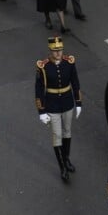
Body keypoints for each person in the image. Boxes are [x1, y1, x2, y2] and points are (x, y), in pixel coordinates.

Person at [35, 36, 82, 182]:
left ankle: (66, 159)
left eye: (60, 50)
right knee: (57, 135)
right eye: (55, 51)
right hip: (52, 104)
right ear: (50, 51)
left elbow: (75, 82)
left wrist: (78, 102)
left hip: (67, 102)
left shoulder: (69, 63)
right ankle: (62, 168)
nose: (58, 53)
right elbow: (39, 89)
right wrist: (41, 111)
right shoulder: (43, 67)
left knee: (67, 131)